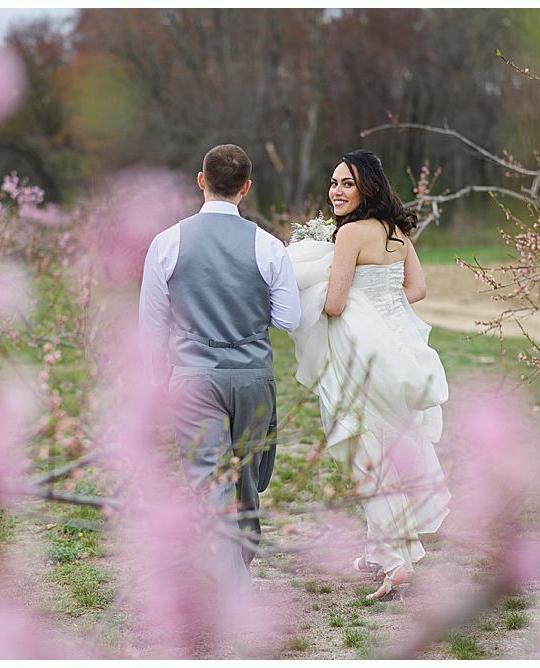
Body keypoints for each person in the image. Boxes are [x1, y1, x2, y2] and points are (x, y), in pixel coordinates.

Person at [287, 149, 450, 602]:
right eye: (334, 182)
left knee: (368, 456)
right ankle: (382, 550)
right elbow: (417, 290)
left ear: (368, 189)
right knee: (388, 449)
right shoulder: (397, 232)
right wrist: (380, 303)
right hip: (399, 352)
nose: (336, 191)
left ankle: (397, 563)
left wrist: (311, 291)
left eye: (347, 184)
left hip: (361, 357)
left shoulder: (350, 236)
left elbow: (336, 304)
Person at [138, 144, 301, 596]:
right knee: (248, 480)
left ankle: (233, 580)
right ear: (246, 188)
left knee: (209, 480)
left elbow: (151, 323)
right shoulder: (268, 246)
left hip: (191, 378)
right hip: (251, 376)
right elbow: (289, 318)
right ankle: (238, 579)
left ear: (200, 180)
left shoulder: (167, 242)